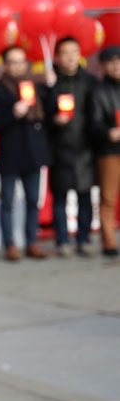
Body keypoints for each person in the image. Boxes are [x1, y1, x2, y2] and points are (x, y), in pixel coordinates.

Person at [0, 45, 52, 261]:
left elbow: (51, 113)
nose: (18, 66)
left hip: (34, 152)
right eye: (13, 62)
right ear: (5, 65)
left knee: (33, 200)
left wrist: (52, 86)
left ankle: (31, 242)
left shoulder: (35, 87)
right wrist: (14, 113)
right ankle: (10, 245)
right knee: (7, 201)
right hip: (10, 153)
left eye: (21, 61)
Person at [44, 37, 99, 257]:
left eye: (74, 52)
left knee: (85, 195)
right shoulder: (50, 81)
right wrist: (50, 95)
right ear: (57, 56)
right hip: (58, 147)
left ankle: (84, 239)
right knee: (60, 197)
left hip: (85, 147)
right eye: (65, 53)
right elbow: (43, 116)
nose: (70, 57)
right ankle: (63, 241)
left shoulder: (90, 81)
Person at [89, 45, 120, 257]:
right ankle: (108, 241)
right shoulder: (98, 91)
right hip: (109, 150)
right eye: (112, 61)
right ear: (103, 65)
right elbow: (93, 123)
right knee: (108, 197)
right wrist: (109, 132)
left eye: (119, 61)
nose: (116, 65)